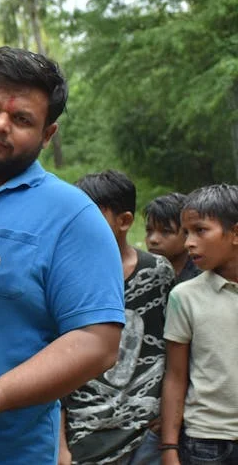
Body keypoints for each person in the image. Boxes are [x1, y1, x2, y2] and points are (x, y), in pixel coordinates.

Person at [0, 46, 125, 464]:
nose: (0, 124)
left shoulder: (72, 216)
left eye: (21, 119)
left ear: (47, 134)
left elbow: (98, 341)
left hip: (6, 452)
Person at [59, 171, 175, 464]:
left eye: (91, 215)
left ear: (124, 221)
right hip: (83, 434)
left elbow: (174, 347)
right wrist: (59, 444)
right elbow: (54, 359)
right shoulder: (66, 276)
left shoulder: (158, 273)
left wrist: (170, 417)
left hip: (144, 434)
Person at [160, 184, 238, 465]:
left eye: (200, 230)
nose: (189, 242)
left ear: (236, 233)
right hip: (206, 442)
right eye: (186, 233)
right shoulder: (184, 297)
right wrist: (169, 448)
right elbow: (175, 376)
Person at [143, 193, 201, 284]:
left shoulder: (202, 278)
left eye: (165, 232)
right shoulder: (141, 274)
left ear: (187, 234)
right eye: (149, 230)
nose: (153, 239)